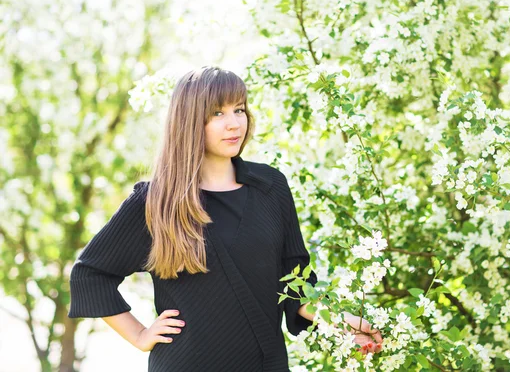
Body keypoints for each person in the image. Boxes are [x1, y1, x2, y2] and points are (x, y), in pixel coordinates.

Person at [68, 66, 383, 371]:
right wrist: (138, 334)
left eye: (240, 109)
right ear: (189, 121)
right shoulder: (156, 201)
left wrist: (344, 322)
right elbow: (90, 275)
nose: (234, 123)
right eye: (217, 113)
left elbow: (298, 284)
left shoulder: (270, 187)